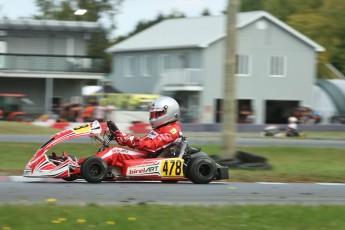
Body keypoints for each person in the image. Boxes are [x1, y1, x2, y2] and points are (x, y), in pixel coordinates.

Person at [90, 96, 183, 168]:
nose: (154, 117)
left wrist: (129, 139)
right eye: (153, 114)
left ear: (171, 113)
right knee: (113, 150)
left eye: (158, 114)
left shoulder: (172, 131)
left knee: (115, 151)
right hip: (147, 156)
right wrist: (123, 137)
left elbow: (152, 146)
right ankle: (85, 164)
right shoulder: (161, 128)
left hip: (151, 159)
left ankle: (82, 166)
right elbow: (143, 140)